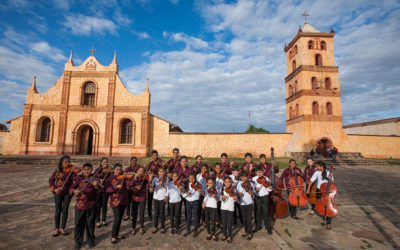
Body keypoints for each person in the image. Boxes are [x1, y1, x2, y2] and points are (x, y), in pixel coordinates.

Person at [70, 163, 99, 249]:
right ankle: (78, 241)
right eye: (85, 170)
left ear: (92, 170)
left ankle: (91, 240)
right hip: (80, 205)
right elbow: (71, 187)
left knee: (90, 224)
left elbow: (101, 190)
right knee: (79, 224)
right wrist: (74, 191)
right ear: (82, 170)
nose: (87, 171)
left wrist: (96, 186)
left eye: (88, 169)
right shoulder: (79, 178)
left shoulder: (95, 179)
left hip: (91, 204)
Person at [49, 155, 75, 237]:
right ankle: (56, 228)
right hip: (58, 192)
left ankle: (62, 228)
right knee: (58, 210)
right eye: (66, 162)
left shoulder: (71, 171)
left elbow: (77, 179)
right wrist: (54, 189)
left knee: (65, 210)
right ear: (62, 163)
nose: (67, 164)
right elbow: (51, 180)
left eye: (69, 162)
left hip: (67, 193)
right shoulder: (57, 171)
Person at [306, 161, 334, 230]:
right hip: (319, 191)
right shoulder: (317, 172)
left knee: (328, 206)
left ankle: (329, 222)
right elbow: (311, 181)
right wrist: (308, 189)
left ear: (322, 167)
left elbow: (332, 183)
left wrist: (330, 178)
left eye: (317, 166)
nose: (316, 167)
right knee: (322, 206)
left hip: (327, 192)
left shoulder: (329, 173)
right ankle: (324, 219)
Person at [105, 163, 129, 244]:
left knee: (120, 218)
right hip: (115, 202)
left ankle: (117, 234)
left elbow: (129, 184)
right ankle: (113, 236)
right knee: (117, 218)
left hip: (123, 200)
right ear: (114, 170)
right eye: (117, 170)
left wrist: (130, 179)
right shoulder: (109, 178)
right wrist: (115, 187)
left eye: (120, 169)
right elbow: (107, 189)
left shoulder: (123, 177)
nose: (118, 171)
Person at [128, 166, 152, 235]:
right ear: (137, 171)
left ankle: (141, 227)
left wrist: (150, 179)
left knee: (142, 213)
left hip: (142, 197)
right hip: (135, 197)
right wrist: (135, 179)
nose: (141, 173)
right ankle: (133, 227)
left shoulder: (145, 179)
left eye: (143, 171)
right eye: (140, 171)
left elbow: (148, 185)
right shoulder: (134, 178)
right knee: (134, 213)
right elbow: (130, 184)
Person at [252, 166, 273, 235]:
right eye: (258, 172)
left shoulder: (266, 178)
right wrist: (255, 190)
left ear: (262, 172)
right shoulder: (254, 179)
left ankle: (268, 227)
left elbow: (269, 189)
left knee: (266, 213)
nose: (259, 173)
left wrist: (270, 187)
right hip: (257, 198)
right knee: (257, 213)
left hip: (265, 197)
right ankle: (258, 226)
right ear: (255, 172)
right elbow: (252, 188)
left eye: (260, 172)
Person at [146, 150, 164, 221]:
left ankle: (159, 214)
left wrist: (163, 165)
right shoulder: (150, 163)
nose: (155, 156)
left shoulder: (161, 162)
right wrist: (149, 172)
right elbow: (146, 170)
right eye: (153, 155)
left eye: (156, 155)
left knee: (159, 199)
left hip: (158, 182)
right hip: (151, 183)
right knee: (150, 200)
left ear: (157, 155)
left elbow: (164, 170)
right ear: (152, 156)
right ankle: (150, 214)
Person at [237, 171, 255, 240]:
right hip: (242, 203)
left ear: (247, 177)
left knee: (249, 218)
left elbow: (253, 193)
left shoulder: (250, 183)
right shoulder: (239, 184)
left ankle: (250, 232)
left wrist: (251, 192)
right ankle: (246, 230)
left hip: (249, 203)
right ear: (240, 177)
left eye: (245, 176)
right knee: (244, 218)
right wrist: (239, 194)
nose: (244, 178)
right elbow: (237, 192)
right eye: (242, 177)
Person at [150, 167, 169, 234]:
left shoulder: (166, 178)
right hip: (156, 197)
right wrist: (151, 188)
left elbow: (167, 188)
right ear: (158, 172)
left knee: (162, 212)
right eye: (160, 171)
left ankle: (162, 227)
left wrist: (166, 196)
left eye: (162, 171)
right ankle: (155, 226)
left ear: (164, 172)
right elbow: (152, 186)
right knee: (156, 212)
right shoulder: (155, 179)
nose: (161, 173)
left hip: (162, 197)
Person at [183, 173, 201, 238]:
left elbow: (198, 195)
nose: (192, 180)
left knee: (195, 216)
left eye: (193, 178)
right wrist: (186, 194)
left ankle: (195, 230)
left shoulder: (198, 185)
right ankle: (188, 229)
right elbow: (183, 194)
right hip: (188, 201)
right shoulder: (186, 185)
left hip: (195, 201)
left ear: (195, 179)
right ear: (188, 179)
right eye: (190, 178)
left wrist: (198, 191)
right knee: (188, 216)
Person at [94, 157, 111, 227]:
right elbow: (93, 177)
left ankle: (104, 220)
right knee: (98, 205)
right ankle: (97, 220)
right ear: (101, 163)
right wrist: (98, 180)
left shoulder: (110, 170)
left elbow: (112, 178)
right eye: (104, 162)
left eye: (106, 162)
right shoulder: (97, 170)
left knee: (104, 205)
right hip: (98, 190)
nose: (105, 163)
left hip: (106, 189)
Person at [220, 177, 237, 243]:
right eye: (226, 182)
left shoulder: (233, 189)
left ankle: (229, 235)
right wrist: (222, 198)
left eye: (229, 182)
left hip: (230, 208)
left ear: (231, 182)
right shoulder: (222, 189)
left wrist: (234, 198)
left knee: (229, 223)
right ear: (224, 183)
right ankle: (224, 234)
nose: (228, 183)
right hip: (223, 208)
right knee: (224, 222)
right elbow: (219, 198)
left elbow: (235, 198)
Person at [202, 177, 219, 241]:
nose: (210, 184)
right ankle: (209, 233)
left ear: (214, 183)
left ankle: (213, 233)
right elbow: (205, 198)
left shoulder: (216, 189)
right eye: (209, 183)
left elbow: (218, 199)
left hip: (213, 206)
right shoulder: (207, 189)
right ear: (207, 184)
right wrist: (203, 203)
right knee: (207, 220)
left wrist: (215, 197)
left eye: (211, 183)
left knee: (213, 221)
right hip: (207, 206)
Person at [125, 157, 141, 221]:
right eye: (132, 161)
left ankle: (132, 215)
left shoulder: (138, 168)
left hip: (134, 187)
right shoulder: (127, 169)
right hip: (128, 187)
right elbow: (125, 177)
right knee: (128, 201)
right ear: (130, 161)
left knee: (133, 201)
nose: (133, 162)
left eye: (135, 161)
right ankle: (127, 214)